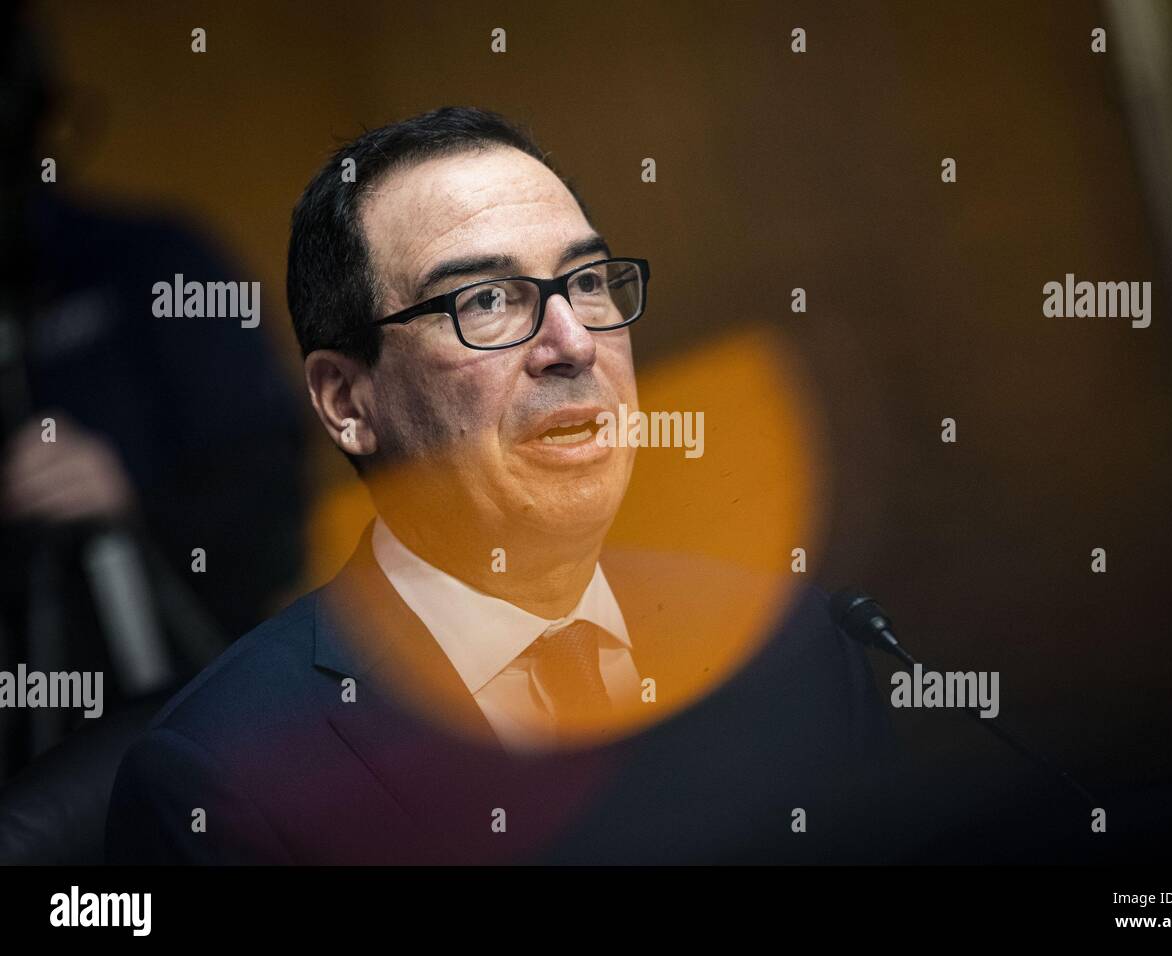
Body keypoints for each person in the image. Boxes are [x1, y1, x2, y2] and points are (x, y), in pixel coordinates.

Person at [105, 106, 892, 864]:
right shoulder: (225, 780)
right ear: (348, 403)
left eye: (588, 281)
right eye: (485, 300)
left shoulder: (796, 647)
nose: (574, 344)